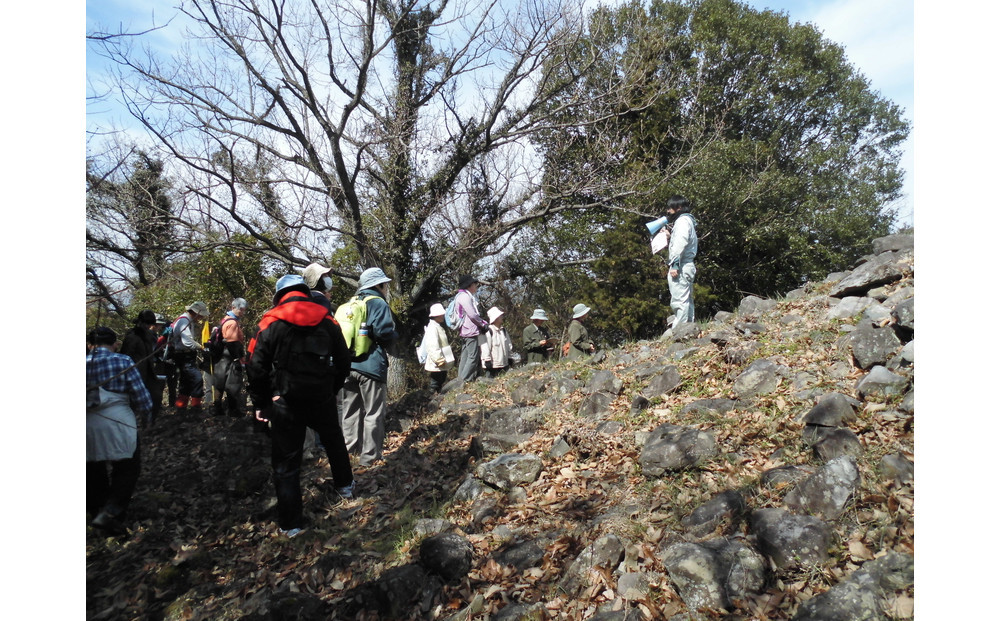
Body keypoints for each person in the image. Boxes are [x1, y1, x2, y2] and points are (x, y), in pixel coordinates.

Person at [246, 275, 355, 537]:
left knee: (286, 462)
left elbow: (255, 366)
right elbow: (343, 361)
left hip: (285, 401)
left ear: (279, 295)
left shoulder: (269, 322)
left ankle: (291, 525)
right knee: (333, 440)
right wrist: (331, 388)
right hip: (321, 396)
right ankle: (345, 487)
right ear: (305, 292)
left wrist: (261, 403)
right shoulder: (327, 319)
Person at [87, 327, 154, 535]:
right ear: (114, 343)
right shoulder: (122, 361)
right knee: (127, 467)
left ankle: (98, 510)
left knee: (93, 468)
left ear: (90, 345)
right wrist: (147, 415)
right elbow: (140, 393)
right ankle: (111, 512)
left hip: (87, 422)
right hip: (119, 421)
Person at [338, 267, 398, 467]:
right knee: (373, 412)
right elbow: (384, 333)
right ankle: (370, 458)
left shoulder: (351, 303)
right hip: (371, 366)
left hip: (348, 366)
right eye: (385, 284)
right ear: (378, 285)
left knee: (350, 412)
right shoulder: (378, 304)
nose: (386, 288)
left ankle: (348, 454)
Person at [119, 309, 160, 425]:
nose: (147, 326)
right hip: (135, 373)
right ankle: (134, 425)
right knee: (134, 402)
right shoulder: (132, 336)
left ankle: (149, 423)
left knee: (156, 397)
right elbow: (126, 356)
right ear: (140, 322)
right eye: (146, 323)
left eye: (150, 324)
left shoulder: (149, 335)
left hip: (149, 371)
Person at [665, 195, 698, 329]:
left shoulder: (682, 221)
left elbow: (680, 243)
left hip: (681, 266)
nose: (668, 211)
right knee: (686, 300)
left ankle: (680, 332)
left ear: (678, 207)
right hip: (686, 265)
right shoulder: (688, 221)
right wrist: (670, 235)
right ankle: (689, 329)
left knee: (680, 301)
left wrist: (675, 264)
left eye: (670, 208)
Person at [212, 298, 248, 417]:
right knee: (233, 383)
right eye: (241, 310)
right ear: (234, 308)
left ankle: (217, 409)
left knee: (219, 383)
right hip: (229, 356)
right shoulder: (232, 322)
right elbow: (232, 342)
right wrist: (239, 359)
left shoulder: (225, 319)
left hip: (220, 356)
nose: (242, 313)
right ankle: (233, 410)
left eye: (243, 310)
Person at [171, 301, 209, 411]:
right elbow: (187, 342)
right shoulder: (184, 321)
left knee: (185, 382)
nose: (201, 317)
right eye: (200, 314)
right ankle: (195, 407)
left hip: (185, 355)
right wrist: (201, 347)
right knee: (197, 379)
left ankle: (181, 408)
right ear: (195, 312)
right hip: (183, 356)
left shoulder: (187, 320)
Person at [454, 274, 489, 383]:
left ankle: (460, 379)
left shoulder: (460, 296)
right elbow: (472, 315)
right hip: (470, 330)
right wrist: (482, 324)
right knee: (473, 357)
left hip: (465, 330)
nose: (476, 287)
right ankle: (464, 381)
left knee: (465, 356)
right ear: (469, 285)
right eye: (475, 284)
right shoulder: (465, 297)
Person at [422, 303, 453, 393]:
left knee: (440, 382)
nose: (443, 316)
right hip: (438, 361)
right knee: (435, 384)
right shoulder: (432, 328)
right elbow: (432, 345)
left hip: (441, 360)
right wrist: (438, 359)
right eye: (441, 314)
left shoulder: (437, 327)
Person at [480, 306, 515, 377]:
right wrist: (487, 360)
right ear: (495, 318)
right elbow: (485, 347)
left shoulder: (504, 331)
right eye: (500, 316)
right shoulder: (488, 331)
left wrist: (510, 357)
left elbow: (509, 346)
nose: (502, 317)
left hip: (504, 364)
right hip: (492, 366)